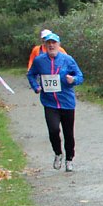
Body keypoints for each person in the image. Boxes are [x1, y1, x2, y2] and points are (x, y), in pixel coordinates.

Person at [26, 32, 83, 172]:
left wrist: (74, 80)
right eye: (48, 43)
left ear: (59, 44)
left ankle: (69, 159)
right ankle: (58, 153)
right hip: (49, 102)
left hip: (67, 102)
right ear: (45, 45)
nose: (51, 45)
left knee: (68, 133)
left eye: (54, 43)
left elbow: (80, 76)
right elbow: (30, 74)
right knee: (53, 130)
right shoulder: (39, 61)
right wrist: (36, 87)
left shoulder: (67, 59)